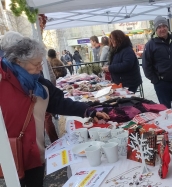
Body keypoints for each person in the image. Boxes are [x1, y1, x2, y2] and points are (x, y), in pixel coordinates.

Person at [0, 37, 109, 186]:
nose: (40, 68)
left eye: (41, 63)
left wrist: (88, 111)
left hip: (35, 155)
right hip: (12, 155)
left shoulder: (40, 83)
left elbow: (59, 103)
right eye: (36, 64)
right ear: (19, 62)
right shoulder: (3, 81)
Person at [142, 15, 172, 112]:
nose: (162, 29)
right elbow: (146, 65)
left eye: (164, 26)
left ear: (167, 27)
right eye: (159, 27)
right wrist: (155, 80)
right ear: (155, 29)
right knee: (165, 108)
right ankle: (169, 124)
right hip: (162, 83)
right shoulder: (150, 45)